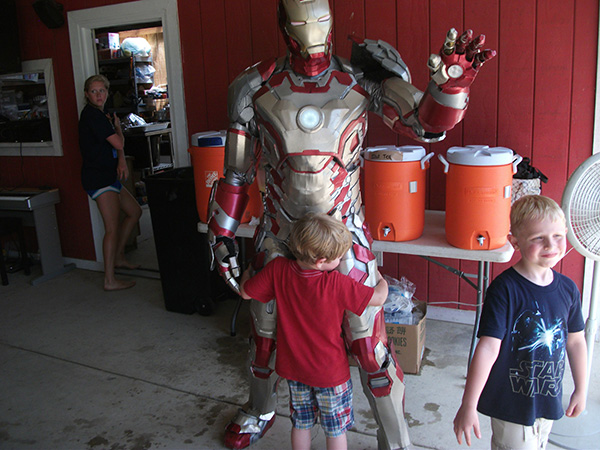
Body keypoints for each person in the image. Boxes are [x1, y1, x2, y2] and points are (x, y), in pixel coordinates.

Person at [206, 1, 496, 448]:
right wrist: (221, 234)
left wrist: (451, 87)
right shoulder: (252, 86)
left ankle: (394, 437)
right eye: (301, 19)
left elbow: (424, 124)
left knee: (370, 347)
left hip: (344, 235)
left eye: (319, 16)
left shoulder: (363, 76)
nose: (311, 28)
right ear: (284, 24)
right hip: (280, 234)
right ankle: (261, 406)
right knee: (263, 333)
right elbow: (236, 172)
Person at [239, 212, 389, 450]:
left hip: (294, 369)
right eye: (337, 258)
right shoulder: (336, 283)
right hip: (330, 373)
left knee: (301, 423)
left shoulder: (279, 270)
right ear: (321, 261)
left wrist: (247, 273)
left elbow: (246, 292)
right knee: (335, 428)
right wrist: (381, 279)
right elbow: (379, 298)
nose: (340, 261)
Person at [453, 195, 587, 449]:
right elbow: (488, 347)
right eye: (538, 238)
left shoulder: (569, 290)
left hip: (548, 399)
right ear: (515, 242)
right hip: (511, 404)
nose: (551, 244)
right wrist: (468, 404)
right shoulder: (504, 290)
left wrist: (581, 388)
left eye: (557, 235)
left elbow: (576, 341)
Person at [79, 74, 142, 291]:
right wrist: (118, 128)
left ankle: (119, 257)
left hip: (109, 176)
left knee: (135, 212)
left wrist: (122, 161)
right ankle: (109, 280)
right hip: (98, 179)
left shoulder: (101, 114)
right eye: (94, 91)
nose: (99, 95)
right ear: (87, 94)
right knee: (112, 228)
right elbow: (118, 142)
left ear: (107, 92)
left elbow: (116, 149)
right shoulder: (93, 116)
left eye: (102, 90)